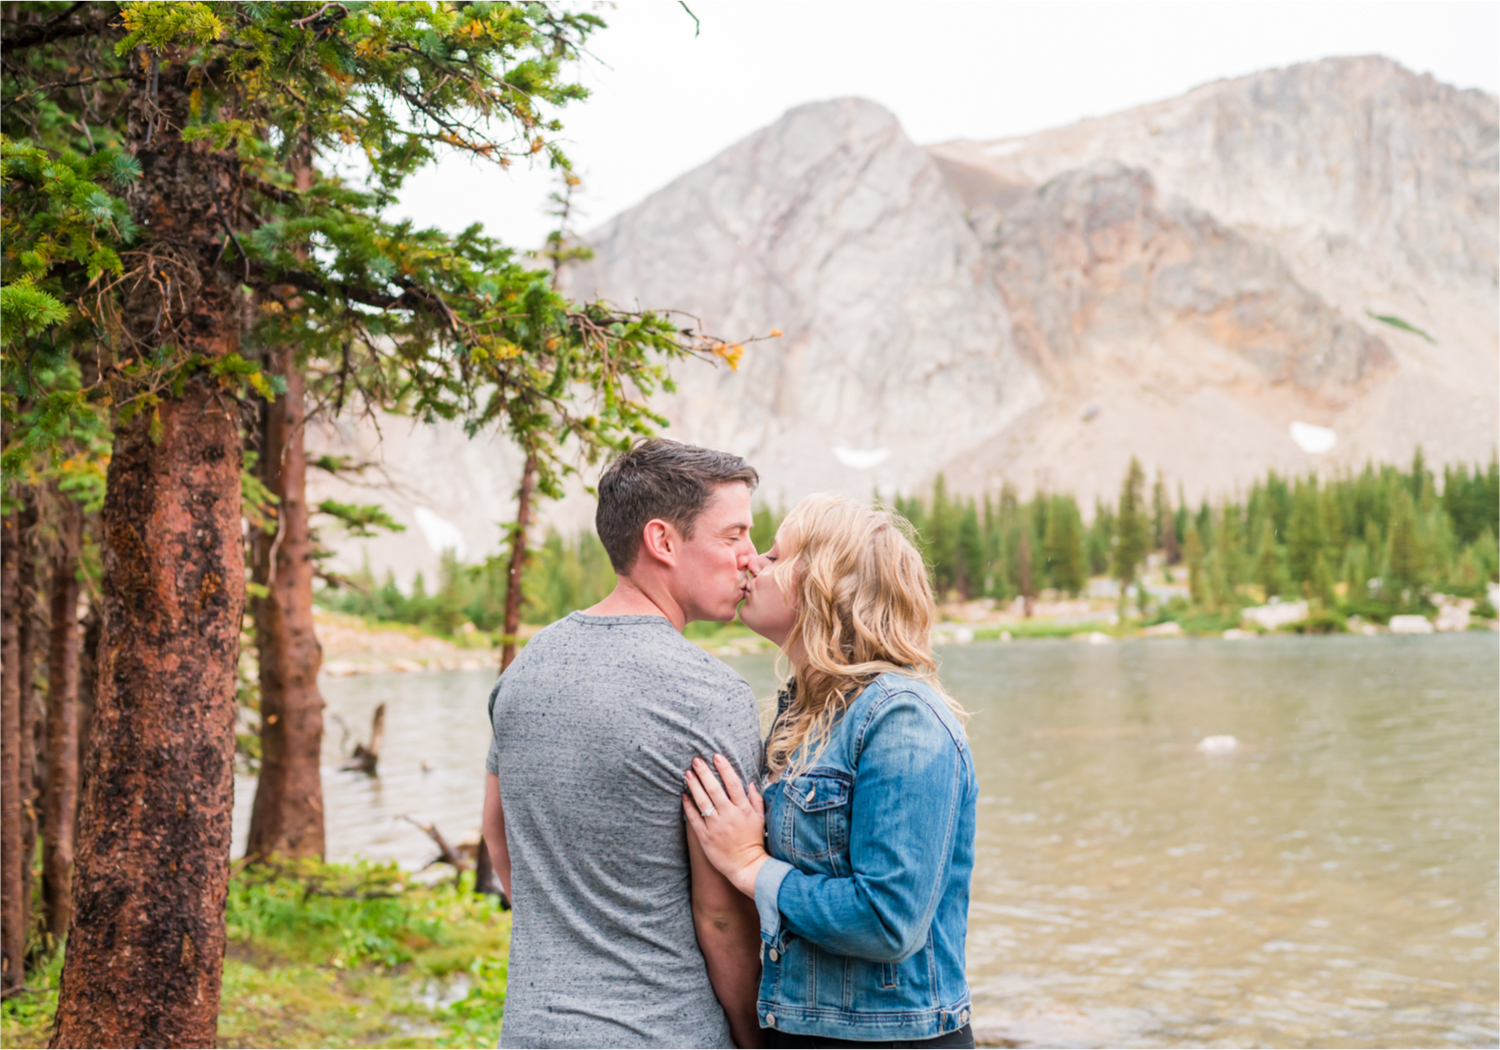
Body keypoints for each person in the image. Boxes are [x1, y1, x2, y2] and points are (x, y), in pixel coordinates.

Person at [481, 439, 767, 1049]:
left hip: (532, 1032)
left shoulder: (525, 671)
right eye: (733, 535)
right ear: (662, 542)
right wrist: (754, 1038)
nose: (751, 558)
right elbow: (719, 913)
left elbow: (499, 838)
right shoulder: (709, 695)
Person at [684, 493, 978, 1049]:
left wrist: (751, 866)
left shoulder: (902, 717)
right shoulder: (803, 713)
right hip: (799, 1029)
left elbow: (888, 921)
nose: (751, 562)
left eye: (775, 556)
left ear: (827, 583)